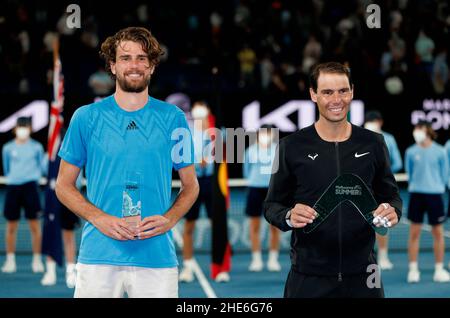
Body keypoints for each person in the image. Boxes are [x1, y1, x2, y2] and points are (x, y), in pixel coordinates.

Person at [55, 27, 199, 298]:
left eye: (142, 58)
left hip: (156, 258)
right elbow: (63, 185)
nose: (134, 65)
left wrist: (169, 219)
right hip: (98, 256)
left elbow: (191, 186)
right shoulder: (86, 118)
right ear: (112, 65)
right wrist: (99, 218)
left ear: (152, 66)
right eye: (125, 58)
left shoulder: (174, 118)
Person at [264, 62, 402, 298]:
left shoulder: (374, 143)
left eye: (343, 91)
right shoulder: (291, 146)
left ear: (352, 92)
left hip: (364, 275)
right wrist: (288, 215)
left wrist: (393, 211)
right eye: (327, 92)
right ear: (313, 94)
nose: (337, 99)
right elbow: (271, 206)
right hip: (307, 276)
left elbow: (392, 197)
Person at [405, 121, 450, 283]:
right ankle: (413, 269)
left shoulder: (440, 152)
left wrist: (436, 187)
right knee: (414, 233)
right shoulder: (410, 151)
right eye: (415, 129)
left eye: (419, 129)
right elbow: (409, 172)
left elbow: (445, 175)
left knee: (438, 233)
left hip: (435, 196)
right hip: (416, 195)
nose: (416, 132)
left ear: (428, 131)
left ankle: (439, 269)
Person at [1, 117, 45, 274]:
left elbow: (41, 167)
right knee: (11, 226)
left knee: (35, 225)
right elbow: (6, 168)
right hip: (13, 187)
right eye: (20, 127)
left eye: (25, 127)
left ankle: (37, 260)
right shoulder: (7, 148)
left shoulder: (37, 147)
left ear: (30, 129)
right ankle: (10, 261)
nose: (23, 130)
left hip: (30, 188)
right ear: (15, 129)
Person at [179, 101, 214, 283]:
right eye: (197, 109)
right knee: (189, 227)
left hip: (211, 183)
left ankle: (219, 268)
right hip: (192, 181)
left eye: (203, 108)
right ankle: (187, 267)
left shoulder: (217, 132)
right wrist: (194, 161)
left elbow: (225, 155)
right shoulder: (187, 132)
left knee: (218, 227)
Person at [364, 110, 403, 270]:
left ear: (380, 122)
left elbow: (397, 162)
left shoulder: (389, 139)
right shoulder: (358, 136)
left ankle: (383, 256)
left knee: (382, 221)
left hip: (381, 188)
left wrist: (383, 174)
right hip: (363, 187)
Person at [243, 124, 281, 272]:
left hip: (273, 191)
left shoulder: (278, 150)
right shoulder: (250, 151)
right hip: (254, 189)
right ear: (258, 135)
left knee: (274, 226)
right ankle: (256, 259)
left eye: (269, 133)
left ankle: (273, 259)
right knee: (255, 226)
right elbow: (246, 171)